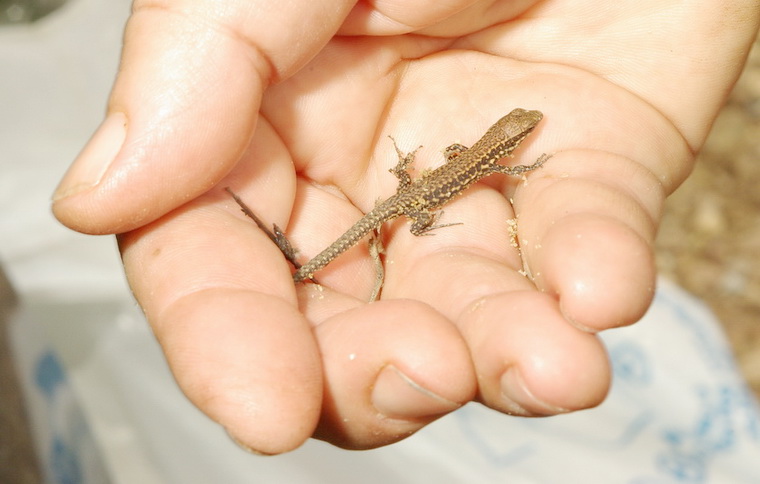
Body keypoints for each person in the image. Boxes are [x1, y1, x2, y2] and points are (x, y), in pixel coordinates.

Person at [50, 0, 760, 455]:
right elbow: (482, 168)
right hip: (412, 202)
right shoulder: (497, 158)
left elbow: (465, 160)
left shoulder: (482, 154)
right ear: (510, 139)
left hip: (413, 193)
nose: (526, 134)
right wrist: (424, 203)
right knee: (405, 221)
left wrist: (418, 185)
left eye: (526, 135)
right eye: (524, 133)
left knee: (416, 214)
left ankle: (313, 262)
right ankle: (312, 264)